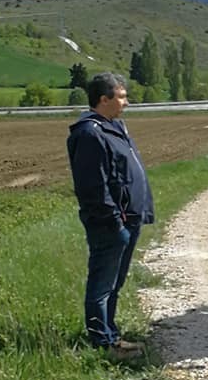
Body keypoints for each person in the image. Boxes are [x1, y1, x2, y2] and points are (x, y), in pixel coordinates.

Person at [66, 73, 154, 359]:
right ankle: (103, 343)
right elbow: (94, 187)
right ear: (103, 99)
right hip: (112, 224)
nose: (126, 102)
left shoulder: (113, 127)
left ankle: (111, 335)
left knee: (114, 283)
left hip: (128, 218)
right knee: (102, 284)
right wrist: (114, 223)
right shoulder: (90, 133)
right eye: (121, 96)